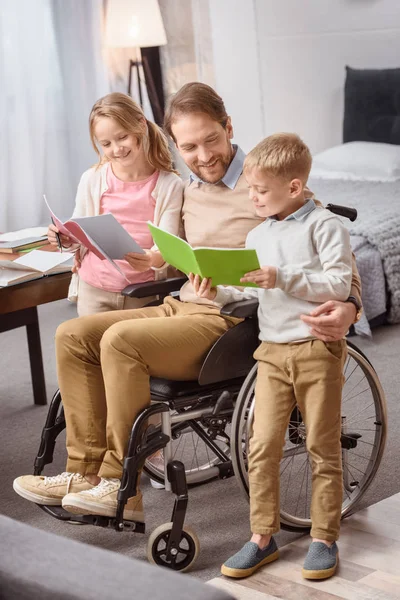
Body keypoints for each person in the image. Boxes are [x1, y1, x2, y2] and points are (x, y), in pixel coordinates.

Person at [13, 83, 362, 529]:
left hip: (233, 320)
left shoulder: (263, 183)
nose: (204, 156)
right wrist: (151, 259)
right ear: (176, 146)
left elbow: (332, 246)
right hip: (182, 305)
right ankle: (81, 473)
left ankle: (122, 484)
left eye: (211, 140)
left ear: (229, 127)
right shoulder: (187, 188)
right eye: (190, 147)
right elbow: (166, 251)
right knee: (72, 334)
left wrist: (349, 304)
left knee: (120, 340)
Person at [190, 132, 352, 580]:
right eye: (251, 189)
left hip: (316, 349)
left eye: (261, 191)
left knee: (322, 445)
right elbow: (248, 287)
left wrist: (281, 276)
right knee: (260, 447)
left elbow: (338, 283)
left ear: (295, 187)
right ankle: (262, 537)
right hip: (272, 354)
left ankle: (323, 537)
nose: (253, 197)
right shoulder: (258, 233)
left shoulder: (325, 226)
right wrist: (216, 289)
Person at [47, 92, 183, 317]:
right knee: (92, 350)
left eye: (122, 137)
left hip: (143, 294)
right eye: (106, 144)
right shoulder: (92, 179)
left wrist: (151, 258)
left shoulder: (169, 185)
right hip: (94, 289)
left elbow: (168, 246)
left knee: (132, 350)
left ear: (140, 124)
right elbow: (78, 234)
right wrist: (63, 238)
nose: (117, 149)